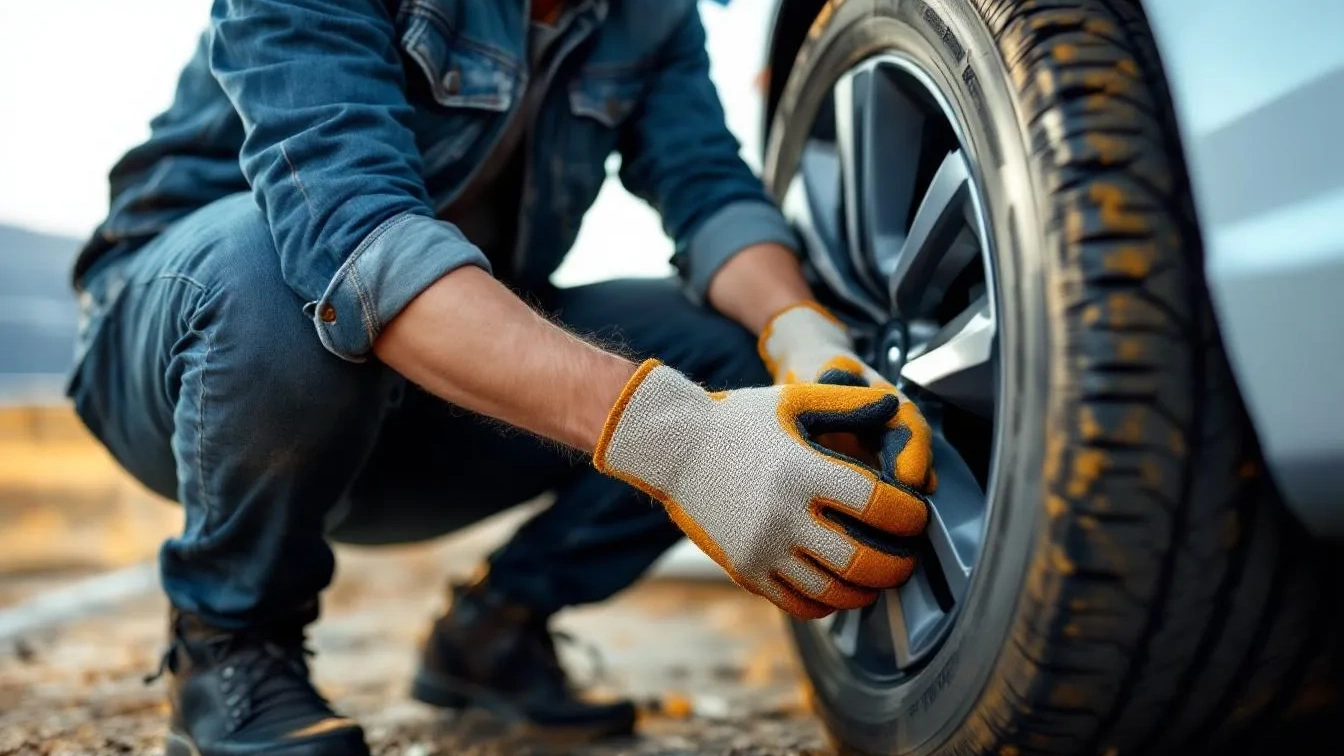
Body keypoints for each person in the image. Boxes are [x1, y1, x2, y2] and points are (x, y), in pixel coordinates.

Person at [67, 0, 937, 754]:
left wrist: (802, 336)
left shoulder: (649, 15)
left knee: (726, 345)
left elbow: (707, 189)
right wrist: (683, 442)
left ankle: (497, 632)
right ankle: (229, 641)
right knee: (279, 274)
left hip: (421, 400)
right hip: (205, 364)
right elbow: (357, 244)